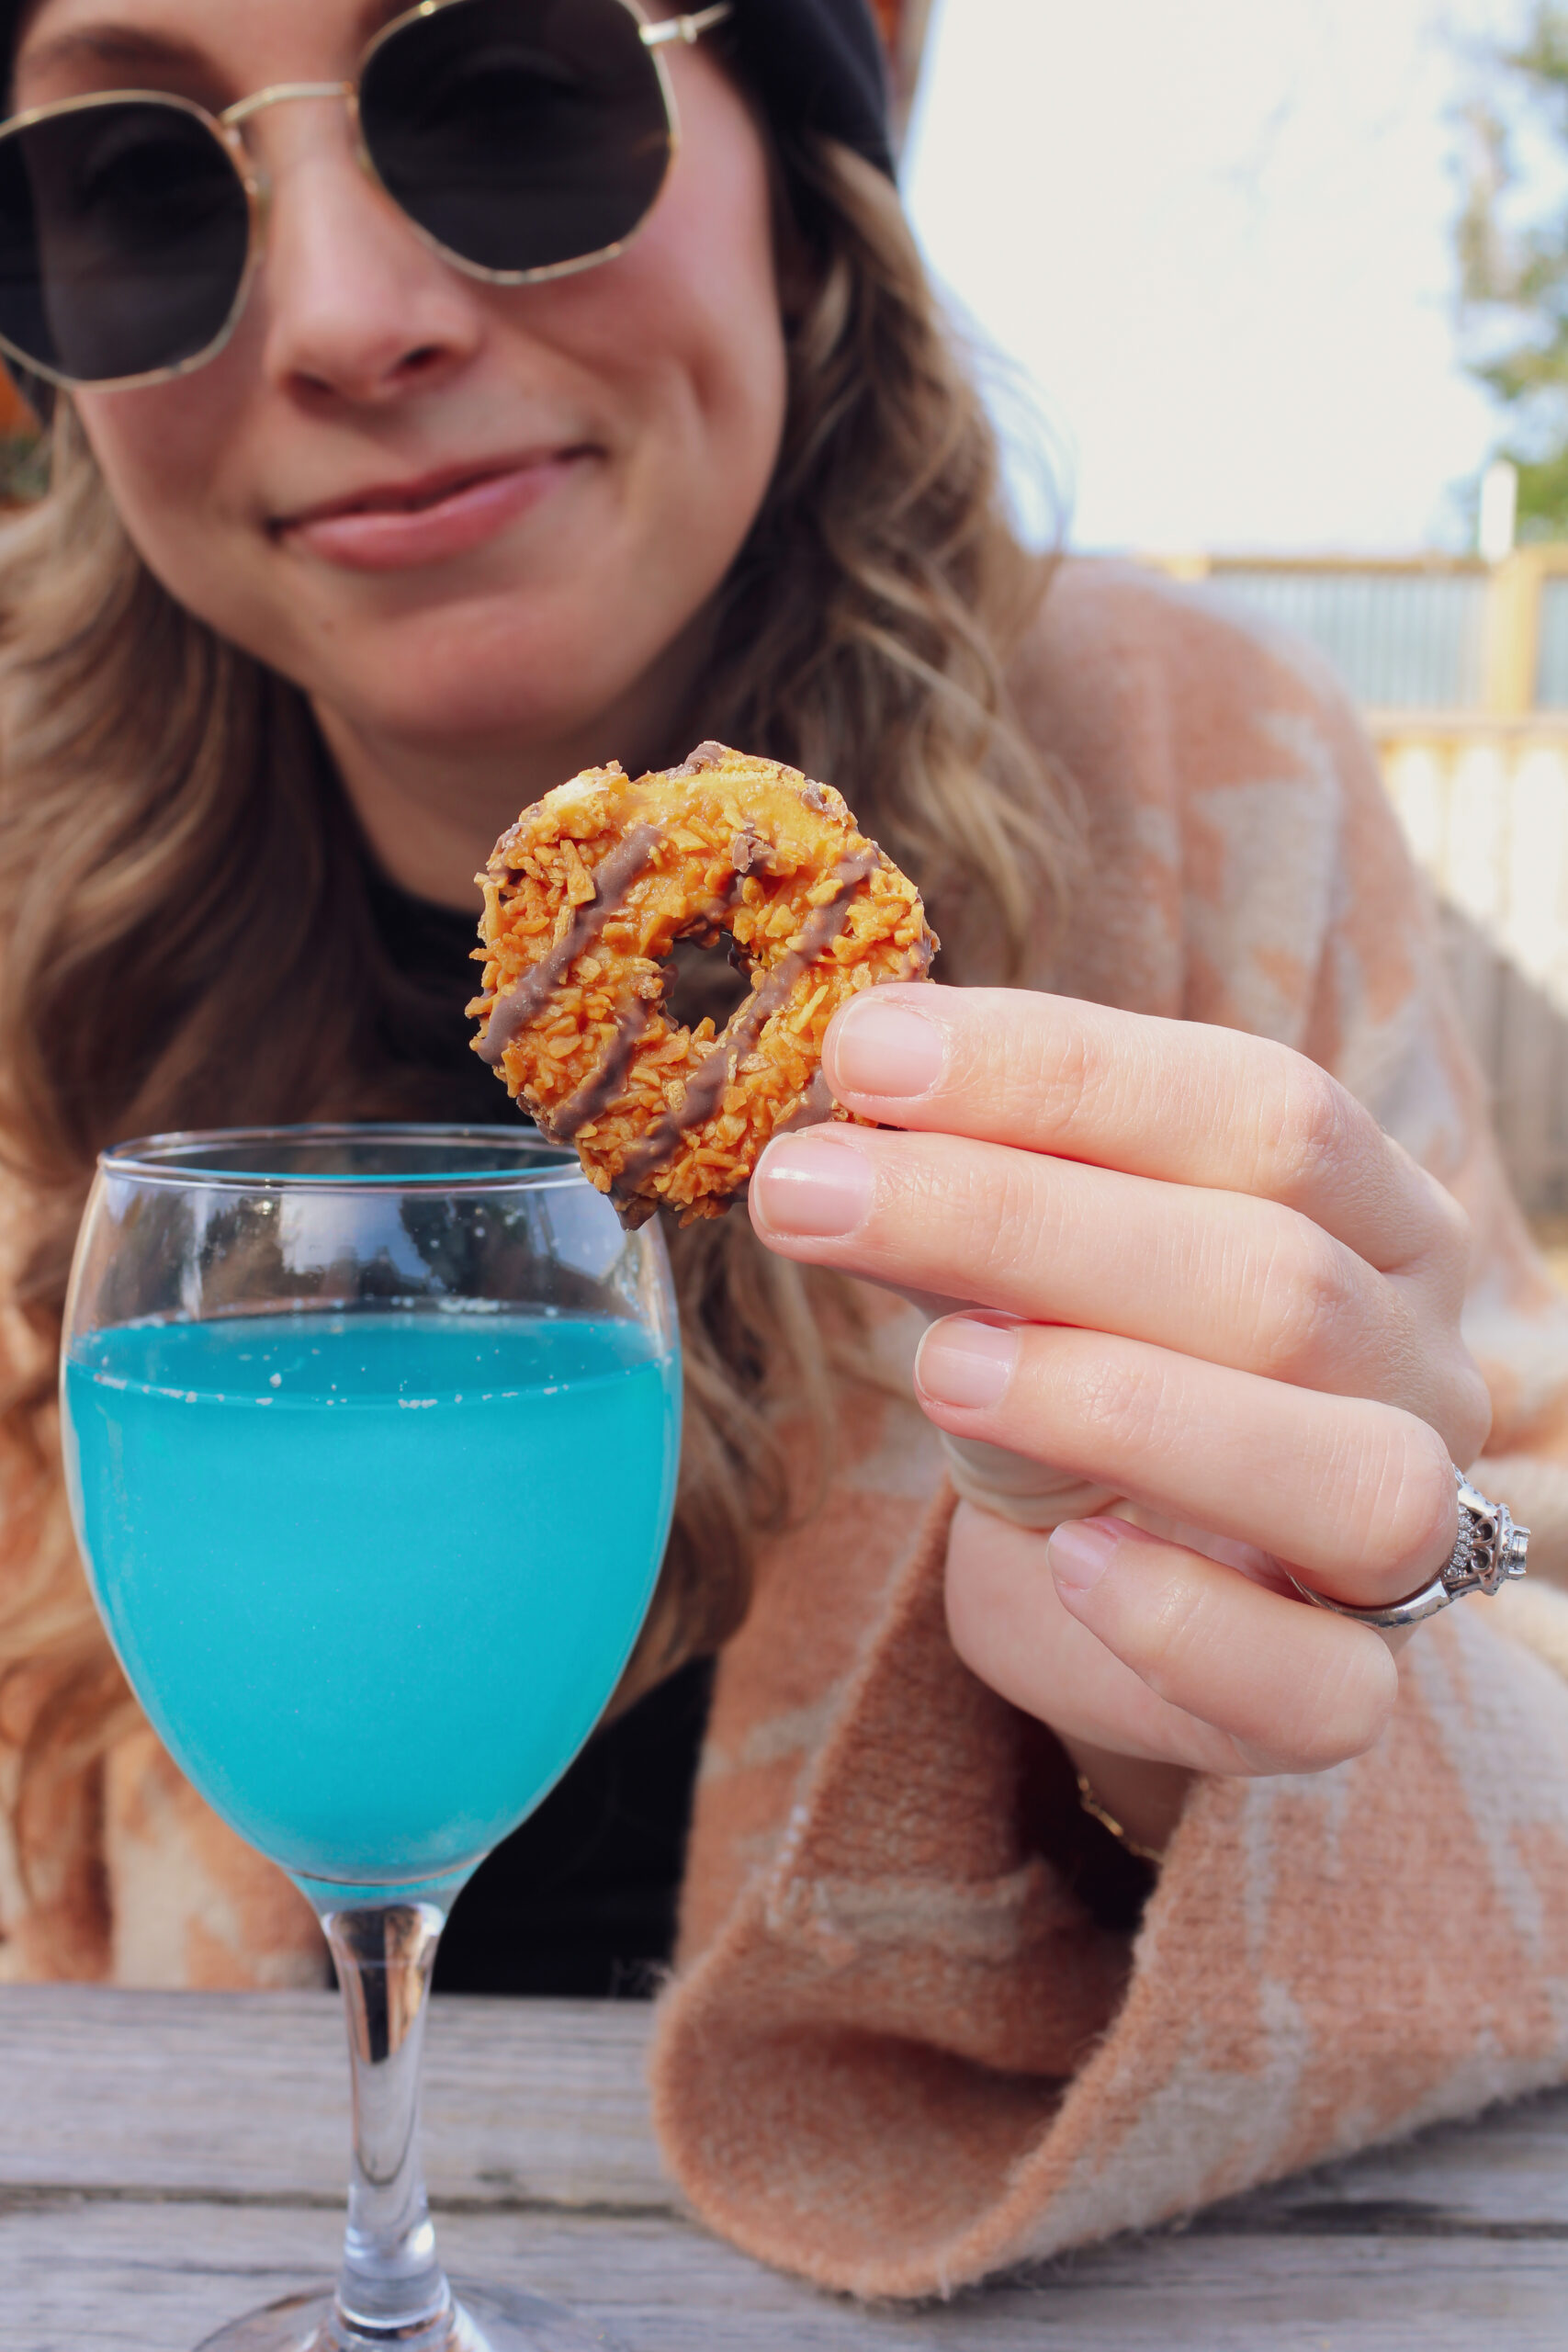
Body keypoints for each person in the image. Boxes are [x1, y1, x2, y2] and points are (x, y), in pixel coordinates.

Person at [2, 0, 1568, 2300]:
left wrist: (1173, 1715)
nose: (344, 317)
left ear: (799, 156)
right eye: (131, 185)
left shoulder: (1205, 788)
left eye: (508, 92)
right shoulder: (28, 950)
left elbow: (1518, 1626)